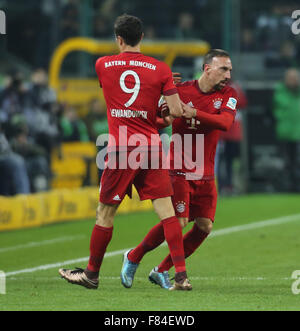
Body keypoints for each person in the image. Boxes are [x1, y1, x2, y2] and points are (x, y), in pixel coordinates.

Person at [59, 14, 191, 291]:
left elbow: (123, 101)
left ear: (118, 39)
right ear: (142, 37)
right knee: (167, 213)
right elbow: (174, 113)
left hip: (122, 149)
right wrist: (163, 98)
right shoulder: (160, 69)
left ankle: (92, 274)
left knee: (105, 213)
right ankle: (181, 276)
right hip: (152, 147)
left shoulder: (102, 65)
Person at [125, 49, 238, 289]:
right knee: (178, 220)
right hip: (178, 168)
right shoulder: (180, 91)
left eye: (230, 69)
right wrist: (158, 101)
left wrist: (194, 113)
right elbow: (158, 119)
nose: (229, 74)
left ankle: (159, 269)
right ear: (207, 69)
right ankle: (136, 257)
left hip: (206, 172)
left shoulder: (229, 94)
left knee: (205, 225)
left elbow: (226, 123)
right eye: (224, 69)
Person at [272, 68, 300, 192]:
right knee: (286, 163)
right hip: (284, 134)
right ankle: (287, 186)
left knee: (296, 162)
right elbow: (276, 109)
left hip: (297, 134)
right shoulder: (280, 92)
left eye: (295, 78)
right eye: (291, 78)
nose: (293, 80)